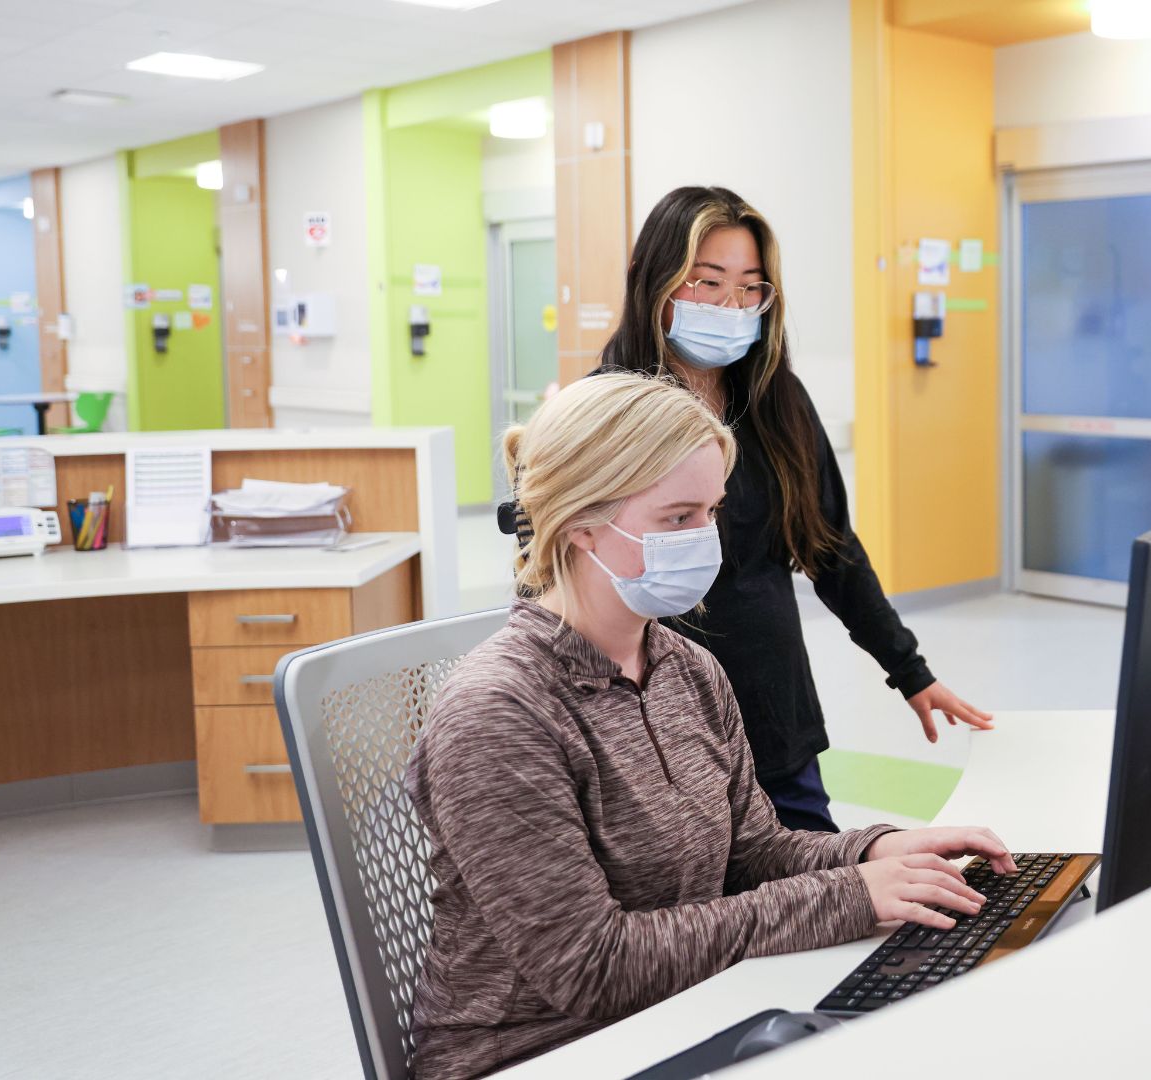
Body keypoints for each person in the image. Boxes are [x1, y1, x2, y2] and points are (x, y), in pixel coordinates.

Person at [409, 372, 1015, 1080]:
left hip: (679, 1012)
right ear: (579, 524)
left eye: (711, 512)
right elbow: (589, 966)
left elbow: (754, 854)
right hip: (543, 1053)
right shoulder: (499, 712)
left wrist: (880, 851)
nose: (706, 540)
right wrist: (850, 897)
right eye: (676, 518)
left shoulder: (685, 668)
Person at [510, 184, 991, 832]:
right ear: (655, 281)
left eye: (749, 287)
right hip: (650, 721)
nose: (730, 305)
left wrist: (908, 669)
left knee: (815, 886)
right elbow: (546, 571)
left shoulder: (776, 402)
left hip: (771, 712)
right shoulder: (606, 411)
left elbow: (831, 549)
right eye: (707, 283)